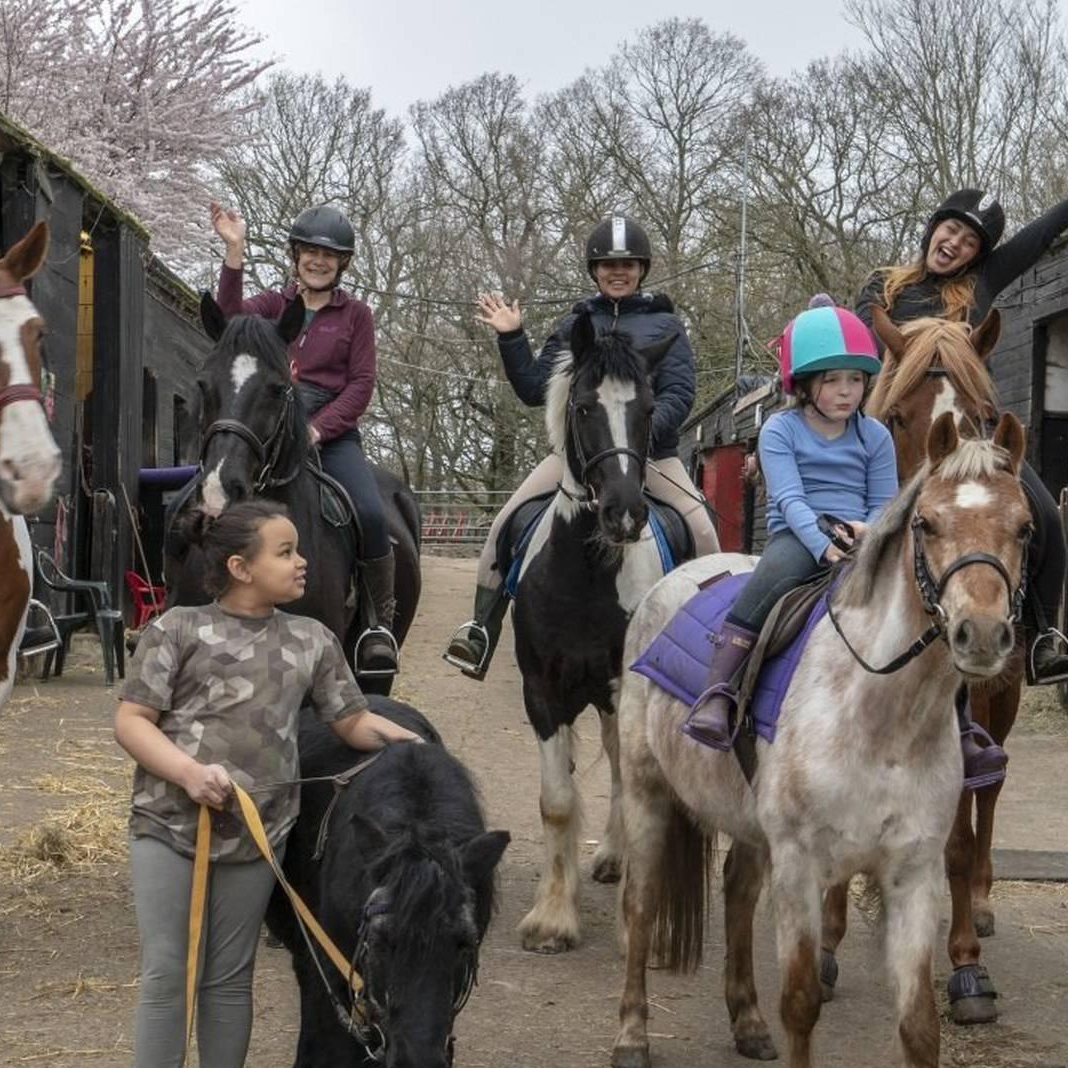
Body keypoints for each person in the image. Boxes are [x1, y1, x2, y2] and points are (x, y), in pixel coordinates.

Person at [114, 499, 420, 1068]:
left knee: (230, 976)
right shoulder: (176, 629)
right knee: (167, 973)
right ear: (240, 567)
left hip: (260, 832)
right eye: (286, 552)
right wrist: (188, 774)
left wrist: (418, 746)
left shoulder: (313, 640)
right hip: (169, 826)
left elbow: (351, 723)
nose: (302, 563)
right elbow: (131, 721)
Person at [853, 129, 1068, 687]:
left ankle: (1044, 636)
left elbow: (1044, 231)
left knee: (1046, 516)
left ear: (979, 255)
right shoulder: (883, 286)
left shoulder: (981, 285)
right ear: (934, 228)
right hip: (897, 433)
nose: (955, 243)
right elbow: (857, 352)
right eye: (951, 228)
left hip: (973, 440)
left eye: (970, 241)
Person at [442, 213, 720, 679]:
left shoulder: (665, 323)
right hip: (577, 459)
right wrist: (512, 337)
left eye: (628, 264)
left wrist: (631, 441)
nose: (618, 272)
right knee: (504, 525)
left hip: (649, 455)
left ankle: (708, 642)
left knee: (705, 532)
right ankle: (480, 630)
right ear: (594, 270)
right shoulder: (576, 323)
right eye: (608, 264)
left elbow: (679, 392)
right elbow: (535, 388)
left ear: (642, 268)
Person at [679, 304, 895, 750]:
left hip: (863, 538)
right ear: (804, 384)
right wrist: (822, 545)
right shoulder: (780, 429)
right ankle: (716, 694)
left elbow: (885, 502)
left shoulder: (876, 435)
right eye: (832, 380)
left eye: (855, 379)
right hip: (799, 537)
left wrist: (868, 531)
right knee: (766, 583)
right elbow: (790, 499)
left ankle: (961, 723)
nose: (846, 391)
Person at [209, 202, 400, 676]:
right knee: (200, 498)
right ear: (295, 255)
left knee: (372, 513)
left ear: (342, 264)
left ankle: (378, 623)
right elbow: (229, 320)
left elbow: (361, 384)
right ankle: (177, 603)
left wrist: (317, 428)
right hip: (269, 424)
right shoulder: (273, 306)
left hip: (327, 432)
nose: (318, 261)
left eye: (329, 256)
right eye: (310, 252)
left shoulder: (356, 315)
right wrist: (235, 252)